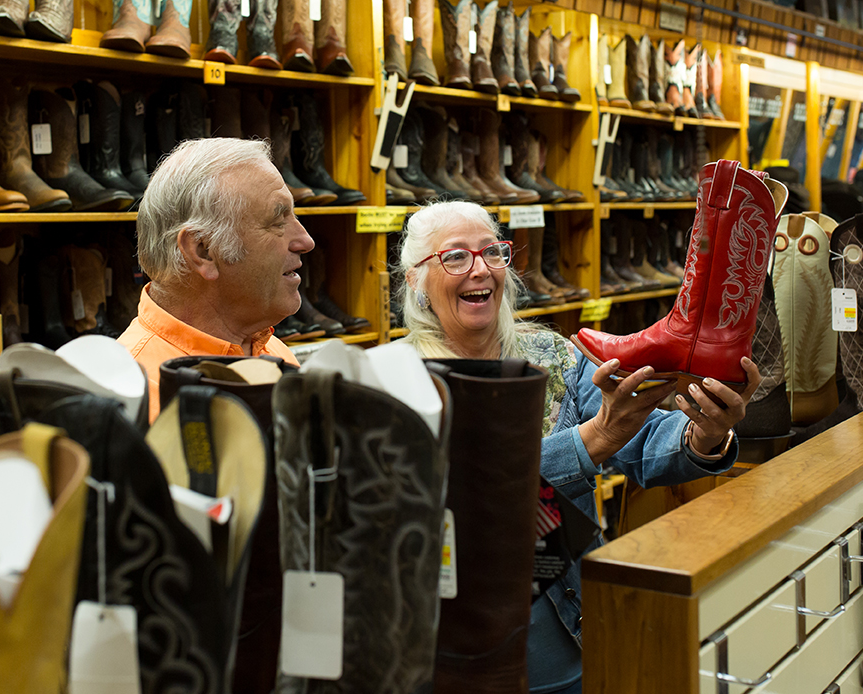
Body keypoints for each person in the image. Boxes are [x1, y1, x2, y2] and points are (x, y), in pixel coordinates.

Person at [396, 201, 760, 694]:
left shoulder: (553, 355)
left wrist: (706, 432)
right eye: (455, 258)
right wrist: (592, 441)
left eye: (491, 253)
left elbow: (647, 440)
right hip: (453, 655)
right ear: (416, 279)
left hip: (575, 636)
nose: (479, 269)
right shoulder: (393, 382)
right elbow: (451, 497)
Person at [118, 138, 315, 421]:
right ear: (203, 251)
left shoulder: (272, 351)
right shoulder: (132, 396)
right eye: (277, 221)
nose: (305, 241)